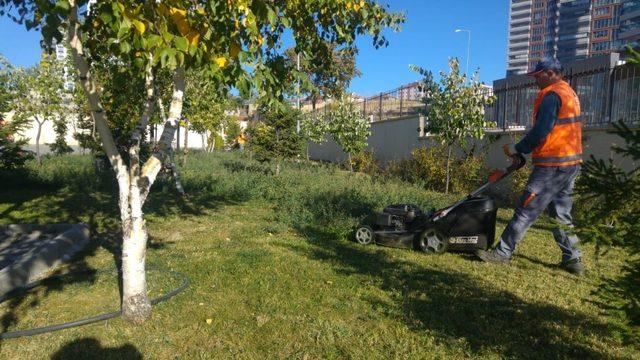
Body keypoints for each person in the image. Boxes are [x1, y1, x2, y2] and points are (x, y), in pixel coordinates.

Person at [476, 57, 585, 276]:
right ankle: (574, 260)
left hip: (551, 166)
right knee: (561, 215)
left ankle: (501, 253)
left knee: (526, 210)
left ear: (551, 73)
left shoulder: (552, 95)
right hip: (571, 164)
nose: (536, 80)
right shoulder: (569, 92)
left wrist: (519, 149)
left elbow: (542, 130)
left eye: (538, 75)